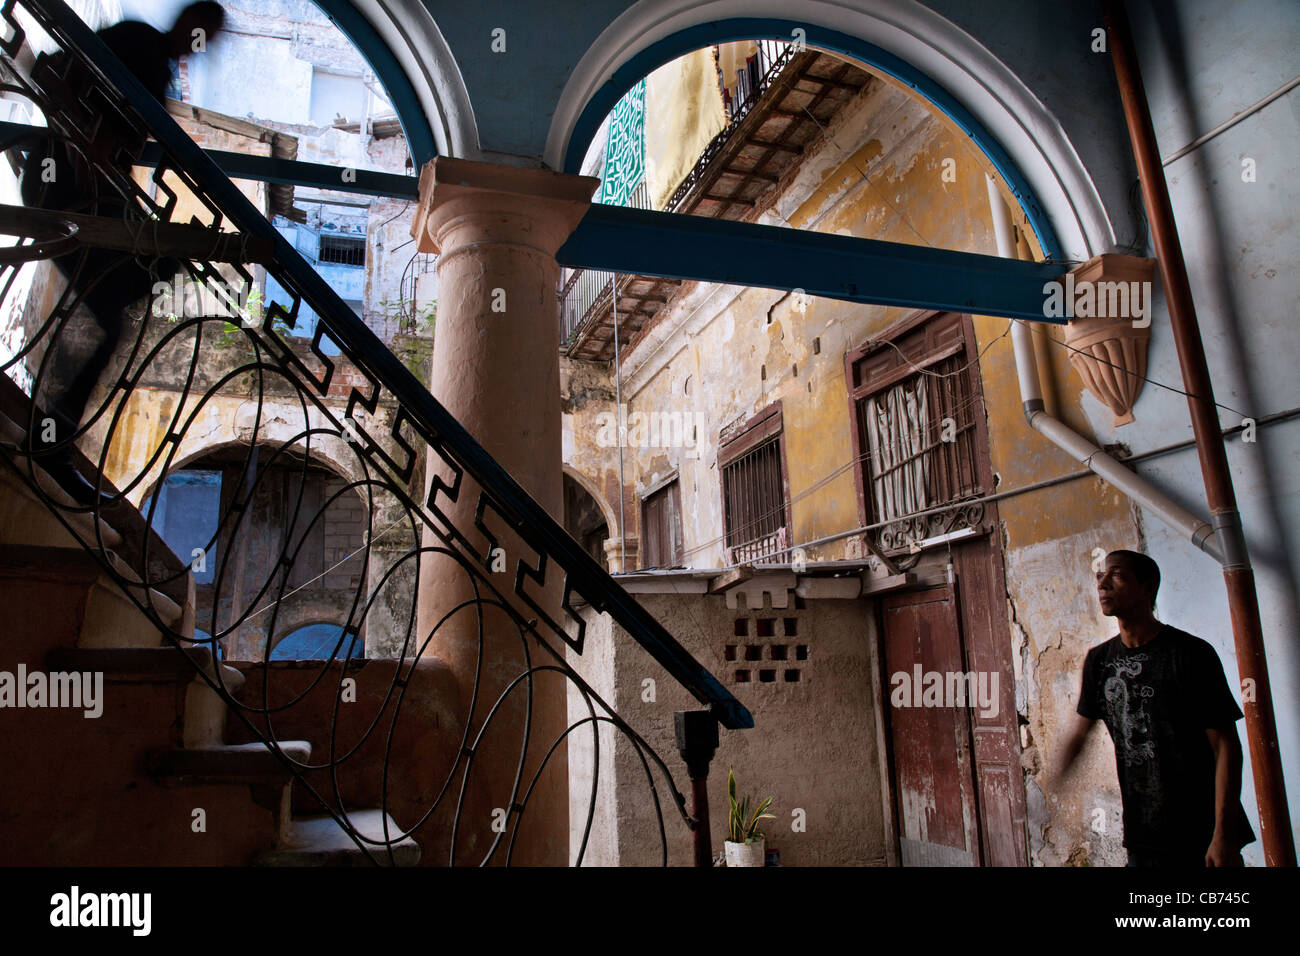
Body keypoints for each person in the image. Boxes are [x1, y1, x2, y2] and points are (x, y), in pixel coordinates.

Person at [18, 3, 224, 499]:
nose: (202, 43)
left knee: (143, 283)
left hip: (85, 198)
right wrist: (84, 141)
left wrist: (105, 159)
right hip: (62, 187)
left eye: (209, 37)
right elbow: (62, 71)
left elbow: (120, 148)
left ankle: (51, 439)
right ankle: (49, 442)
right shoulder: (137, 43)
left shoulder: (158, 73)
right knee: (127, 299)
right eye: (203, 30)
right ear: (186, 22)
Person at [1054, 549, 1254, 866]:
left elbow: (1226, 744)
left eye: (1116, 574)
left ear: (1148, 588)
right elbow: (1081, 731)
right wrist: (1055, 782)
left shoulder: (1190, 654)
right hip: (1143, 838)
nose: (1103, 583)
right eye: (1100, 575)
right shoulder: (1099, 661)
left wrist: (1223, 834)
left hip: (1202, 836)